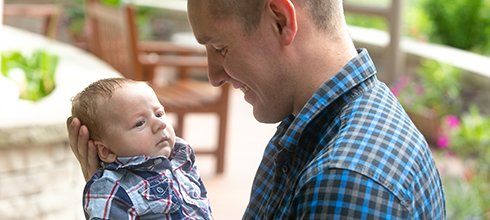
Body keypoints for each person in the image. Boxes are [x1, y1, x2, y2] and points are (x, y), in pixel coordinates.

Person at [68, 0, 446, 219]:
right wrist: (122, 188)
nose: (214, 77)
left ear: (281, 20)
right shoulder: (316, 124)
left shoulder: (345, 180)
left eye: (220, 48)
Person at [68, 77, 213, 220]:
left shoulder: (181, 155)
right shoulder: (113, 189)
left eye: (159, 114)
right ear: (107, 151)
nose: (160, 124)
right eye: (139, 123)